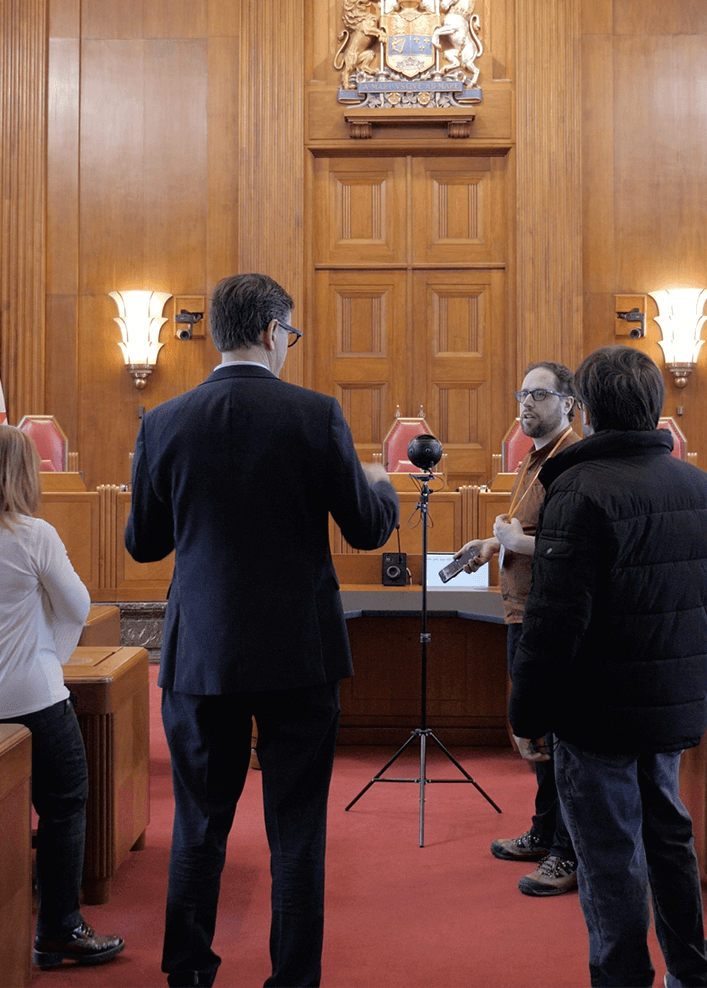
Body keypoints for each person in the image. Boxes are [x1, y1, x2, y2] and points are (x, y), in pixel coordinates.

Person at [125, 272, 399, 988]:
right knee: (297, 832)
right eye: (292, 334)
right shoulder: (316, 415)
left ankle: (187, 972)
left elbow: (144, 545)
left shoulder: (164, 421)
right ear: (275, 331)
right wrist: (381, 486)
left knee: (199, 826)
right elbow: (368, 532)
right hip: (297, 654)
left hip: (202, 654)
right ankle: (292, 981)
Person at [509, 345, 707, 988]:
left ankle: (624, 979)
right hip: (672, 702)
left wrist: (526, 714)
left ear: (586, 409)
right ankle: (693, 973)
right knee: (669, 840)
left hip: (596, 712)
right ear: (653, 409)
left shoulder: (578, 490)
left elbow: (552, 627)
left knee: (610, 857)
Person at [0, 424, 124, 970]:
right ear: (24, 474)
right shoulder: (34, 535)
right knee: (64, 802)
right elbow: (79, 606)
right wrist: (49, 653)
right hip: (27, 699)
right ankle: (58, 928)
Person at [454, 362, 580, 898]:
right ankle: (546, 831)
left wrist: (516, 542)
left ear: (568, 403)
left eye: (539, 395)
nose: (525, 405)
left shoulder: (572, 462)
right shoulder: (535, 458)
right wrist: (493, 544)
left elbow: (571, 544)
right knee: (533, 733)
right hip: (520, 610)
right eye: (521, 394)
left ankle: (567, 853)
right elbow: (529, 528)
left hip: (547, 617)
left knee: (551, 737)